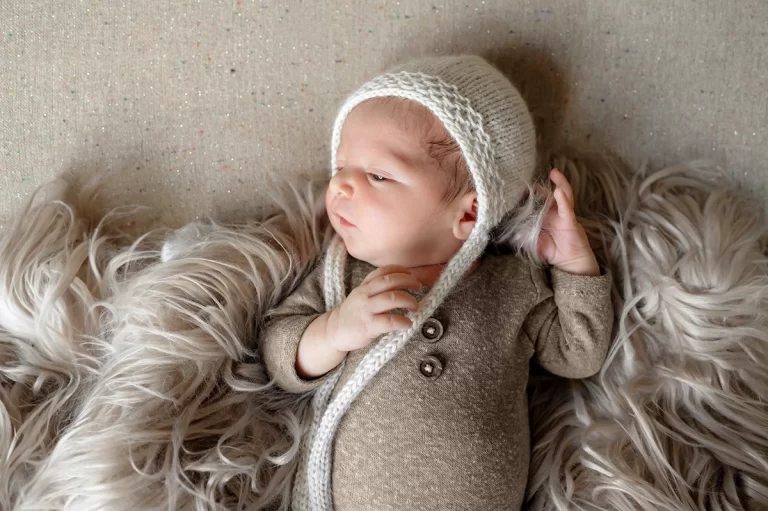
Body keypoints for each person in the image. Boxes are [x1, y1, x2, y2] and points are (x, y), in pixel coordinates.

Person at [258, 54, 615, 511]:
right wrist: (335, 330)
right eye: (340, 168)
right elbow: (279, 355)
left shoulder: (513, 286)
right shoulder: (343, 278)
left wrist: (574, 267)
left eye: (377, 175)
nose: (341, 187)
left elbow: (578, 355)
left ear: (469, 212)